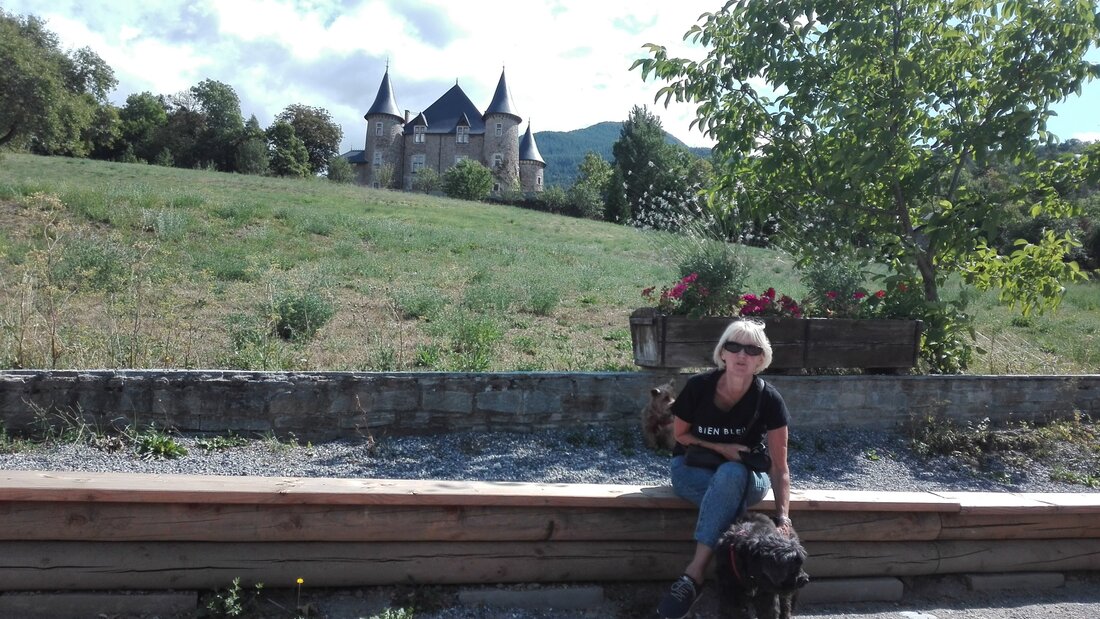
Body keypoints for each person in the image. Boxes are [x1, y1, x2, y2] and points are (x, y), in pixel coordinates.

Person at [656, 319, 793, 619]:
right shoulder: (699, 387)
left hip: (748, 477)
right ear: (723, 352)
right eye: (734, 346)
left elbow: (779, 467)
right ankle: (740, 577)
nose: (742, 354)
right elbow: (681, 436)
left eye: (751, 349)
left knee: (733, 473)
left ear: (761, 358)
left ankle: (693, 575)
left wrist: (783, 517)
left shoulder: (769, 398)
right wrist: (723, 448)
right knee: (729, 479)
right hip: (692, 469)